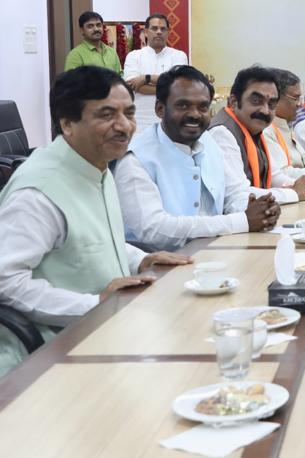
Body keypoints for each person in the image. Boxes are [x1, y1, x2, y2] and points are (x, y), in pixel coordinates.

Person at [0, 67, 190, 376]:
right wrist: (93, 304)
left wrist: (142, 260)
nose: (125, 126)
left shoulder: (95, 164)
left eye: (129, 113)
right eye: (106, 115)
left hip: (107, 330)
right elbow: (6, 282)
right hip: (49, 353)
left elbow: (92, 239)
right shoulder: (38, 192)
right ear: (67, 124)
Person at [116, 65, 280, 252]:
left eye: (203, 107)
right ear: (160, 109)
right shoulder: (135, 158)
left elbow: (235, 193)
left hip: (217, 255)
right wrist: (242, 220)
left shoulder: (208, 142)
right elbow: (155, 230)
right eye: (183, 105)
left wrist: (261, 211)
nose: (194, 114)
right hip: (160, 271)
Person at [209, 66, 305, 204]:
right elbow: (238, 195)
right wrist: (295, 192)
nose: (265, 110)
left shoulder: (253, 130)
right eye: (256, 101)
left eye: (272, 103)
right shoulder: (222, 133)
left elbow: (274, 176)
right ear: (233, 102)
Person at [122, 14, 189, 129]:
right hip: (140, 121)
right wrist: (168, 87)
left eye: (163, 29)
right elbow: (132, 86)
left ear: (168, 32)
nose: (159, 32)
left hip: (170, 120)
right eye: (154, 28)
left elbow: (179, 85)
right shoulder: (134, 56)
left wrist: (146, 78)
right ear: (146, 32)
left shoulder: (179, 55)